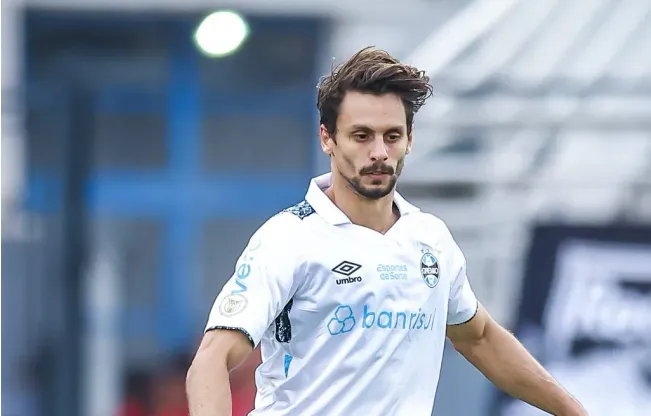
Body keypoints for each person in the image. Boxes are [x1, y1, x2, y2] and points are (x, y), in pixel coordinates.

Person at [186, 46, 587, 416]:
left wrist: (575, 411)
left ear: (409, 140)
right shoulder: (288, 238)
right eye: (361, 136)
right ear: (327, 138)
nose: (378, 151)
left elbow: (478, 337)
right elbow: (211, 360)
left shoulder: (430, 239)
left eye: (391, 136)